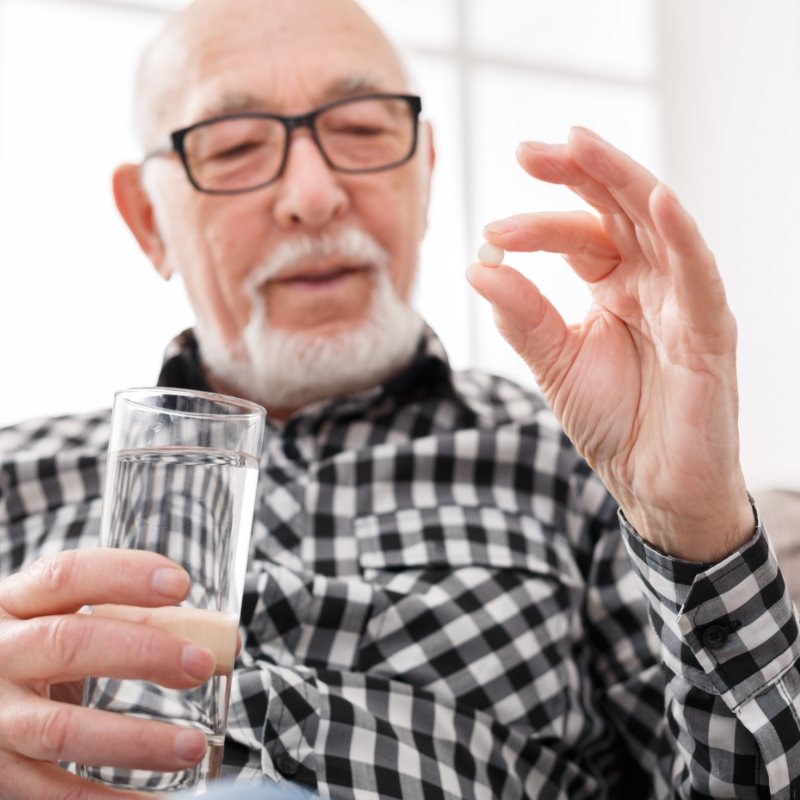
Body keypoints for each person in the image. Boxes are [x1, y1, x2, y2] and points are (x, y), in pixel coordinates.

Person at [0, 0, 797, 797]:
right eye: (236, 147)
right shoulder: (15, 479)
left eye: (363, 132)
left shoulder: (579, 461)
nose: (314, 196)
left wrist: (694, 527)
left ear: (425, 170)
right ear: (148, 220)